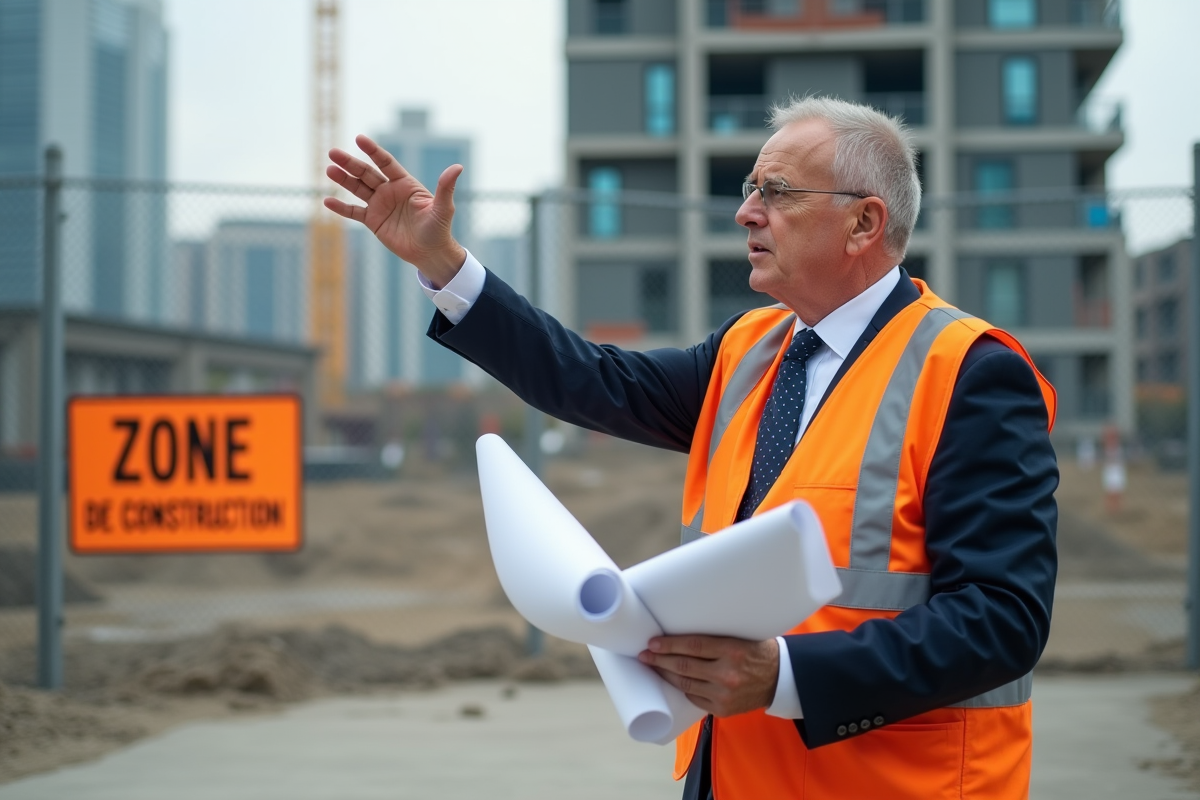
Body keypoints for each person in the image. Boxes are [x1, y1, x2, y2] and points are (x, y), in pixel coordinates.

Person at [324, 96, 1058, 800]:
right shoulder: (748, 353)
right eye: (749, 188)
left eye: (776, 191)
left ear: (864, 223)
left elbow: (1001, 618)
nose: (746, 211)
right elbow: (591, 380)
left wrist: (786, 676)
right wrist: (448, 267)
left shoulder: (970, 373)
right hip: (734, 776)